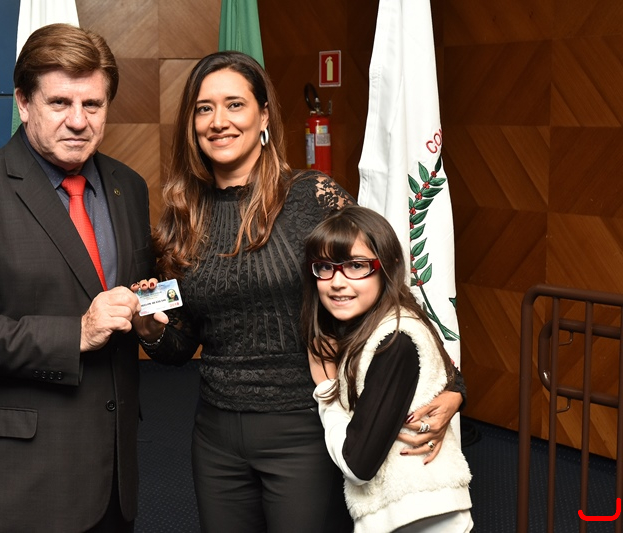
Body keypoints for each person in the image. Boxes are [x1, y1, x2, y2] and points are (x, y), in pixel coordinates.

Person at [132, 51, 465, 532]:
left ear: (264, 115)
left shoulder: (310, 196)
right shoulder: (181, 219)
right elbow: (181, 345)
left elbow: (388, 286)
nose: (219, 121)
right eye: (204, 108)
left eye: (234, 105)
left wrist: (453, 383)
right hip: (216, 436)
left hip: (304, 428)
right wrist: (152, 332)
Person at [0, 24, 153, 533]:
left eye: (93, 104)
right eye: (59, 103)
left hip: (111, 481)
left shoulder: (129, 188)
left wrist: (151, 324)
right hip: (9, 483)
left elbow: (134, 300)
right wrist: (77, 333)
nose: (78, 121)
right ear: (23, 102)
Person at [302, 206, 473, 532]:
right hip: (414, 511)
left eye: (356, 266)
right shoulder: (383, 322)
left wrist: (327, 389)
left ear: (388, 267)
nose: (337, 282)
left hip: (419, 516)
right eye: (324, 267)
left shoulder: (395, 339)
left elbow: (357, 466)